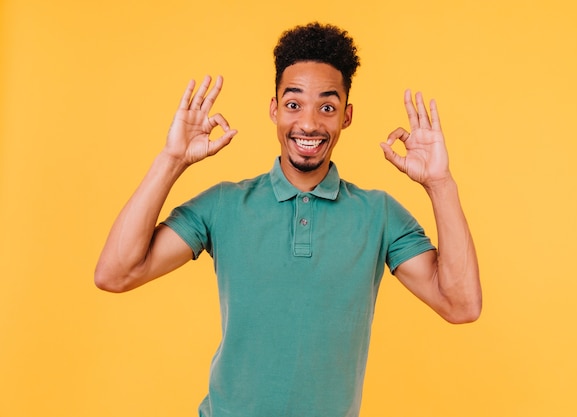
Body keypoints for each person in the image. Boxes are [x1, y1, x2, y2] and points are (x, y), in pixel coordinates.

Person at [95, 22, 481, 417]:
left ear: (346, 116)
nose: (310, 124)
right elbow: (116, 274)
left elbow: (461, 305)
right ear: (274, 109)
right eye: (294, 104)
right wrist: (171, 160)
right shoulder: (225, 204)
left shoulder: (379, 215)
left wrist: (440, 184)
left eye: (326, 107)